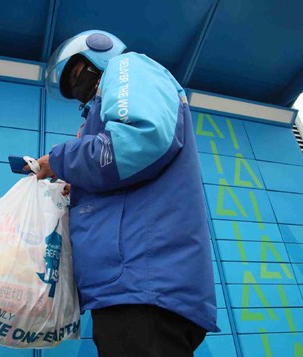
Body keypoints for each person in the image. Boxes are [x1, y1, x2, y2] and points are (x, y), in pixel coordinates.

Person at [36, 30, 219, 356]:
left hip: (144, 285)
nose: (80, 87)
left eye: (80, 73)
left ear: (101, 54)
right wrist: (73, 183)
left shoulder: (129, 66)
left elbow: (137, 140)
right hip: (131, 287)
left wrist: (59, 160)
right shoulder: (111, 98)